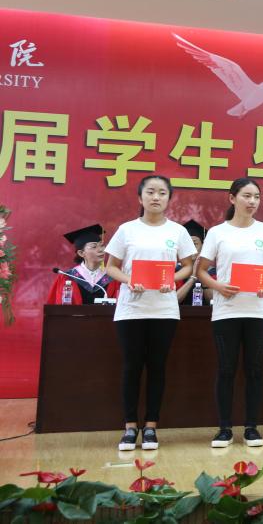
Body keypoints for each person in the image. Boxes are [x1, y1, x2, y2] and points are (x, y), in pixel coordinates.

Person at [104, 175, 195, 451]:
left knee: (157, 367)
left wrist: (172, 279)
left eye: (162, 193)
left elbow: (188, 266)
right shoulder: (127, 230)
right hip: (131, 309)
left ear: (169, 198)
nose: (156, 197)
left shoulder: (177, 232)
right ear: (140, 197)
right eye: (151, 192)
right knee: (132, 366)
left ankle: (152, 426)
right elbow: (111, 266)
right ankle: (130, 426)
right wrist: (129, 280)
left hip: (164, 309)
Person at [197, 177, 263, 448]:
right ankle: (224, 429)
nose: (252, 201)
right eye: (246, 196)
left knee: (255, 369)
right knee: (226, 369)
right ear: (232, 198)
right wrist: (218, 286)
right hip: (226, 311)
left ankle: (252, 428)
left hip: (258, 310)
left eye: (256, 197)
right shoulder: (218, 232)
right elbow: (201, 270)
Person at [47, 224, 117, 304]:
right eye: (94, 247)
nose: (101, 250)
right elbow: (57, 306)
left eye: (102, 246)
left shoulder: (112, 276)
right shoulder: (68, 277)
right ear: (81, 253)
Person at [176, 219, 209, 305]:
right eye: (187, 244)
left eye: (195, 243)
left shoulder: (211, 272)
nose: (191, 248)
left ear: (203, 246)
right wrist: (193, 277)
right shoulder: (175, 271)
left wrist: (203, 275)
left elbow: (213, 301)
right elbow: (173, 300)